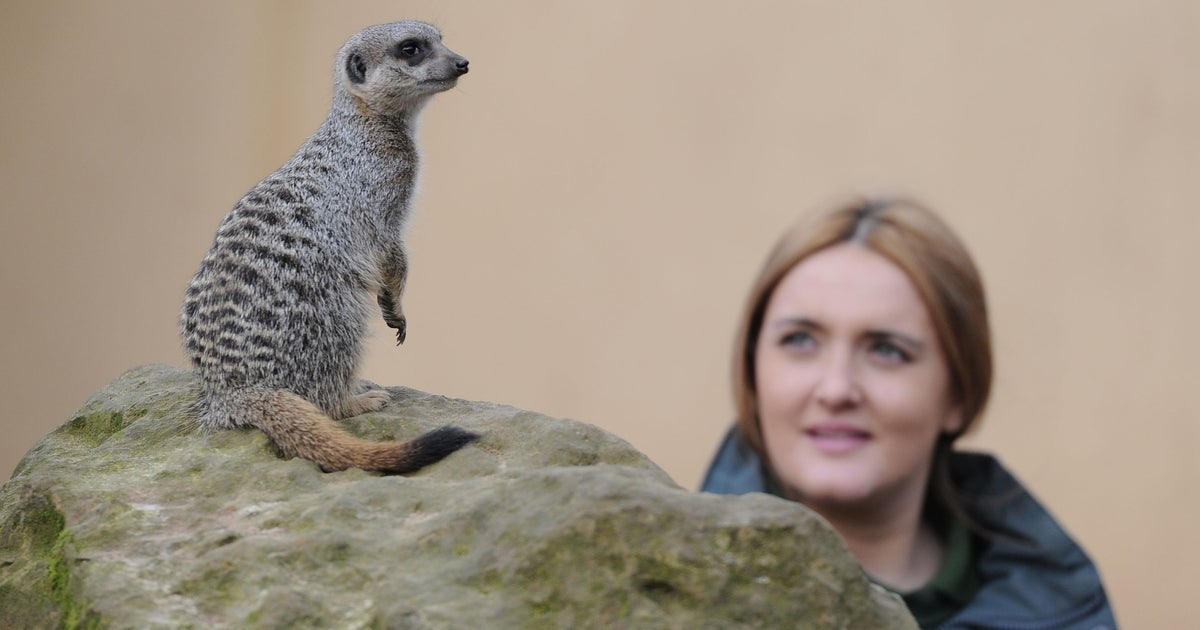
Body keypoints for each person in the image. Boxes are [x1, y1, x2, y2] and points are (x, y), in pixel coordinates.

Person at [700, 197, 1116, 629]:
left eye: (886, 350)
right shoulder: (660, 595)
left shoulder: (1064, 612)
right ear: (753, 370)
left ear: (958, 394)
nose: (837, 389)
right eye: (800, 340)